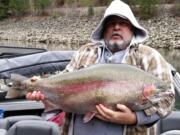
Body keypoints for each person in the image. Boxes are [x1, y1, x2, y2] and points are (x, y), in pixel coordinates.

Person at [26, 0, 175, 135]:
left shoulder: (150, 56)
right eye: (111, 23)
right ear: (103, 30)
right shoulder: (84, 52)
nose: (116, 27)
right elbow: (62, 88)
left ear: (132, 29)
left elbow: (168, 99)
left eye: (123, 23)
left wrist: (134, 118)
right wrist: (42, 91)